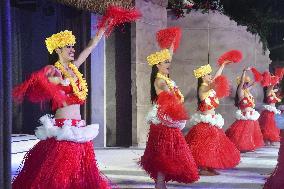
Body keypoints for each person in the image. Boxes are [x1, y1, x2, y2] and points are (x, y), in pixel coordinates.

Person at [12, 29, 113, 189]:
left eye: (73, 46)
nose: (73, 49)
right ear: (58, 49)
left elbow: (90, 47)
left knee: (78, 176)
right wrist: (57, 81)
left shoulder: (73, 69)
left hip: (78, 129)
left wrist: (102, 30)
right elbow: (42, 78)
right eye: (68, 46)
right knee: (60, 177)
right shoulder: (53, 69)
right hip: (63, 130)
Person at [139, 48, 199, 189]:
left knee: (167, 151)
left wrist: (171, 45)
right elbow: (169, 96)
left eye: (168, 61)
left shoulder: (166, 79)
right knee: (163, 152)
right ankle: (160, 184)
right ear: (157, 65)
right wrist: (171, 92)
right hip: (163, 120)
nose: (168, 63)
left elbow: (174, 97)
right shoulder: (160, 81)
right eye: (165, 62)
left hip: (168, 120)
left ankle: (160, 183)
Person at [185, 63, 240, 176]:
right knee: (205, 145)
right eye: (208, 74)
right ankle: (203, 168)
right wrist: (221, 81)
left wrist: (223, 65)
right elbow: (215, 82)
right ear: (202, 76)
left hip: (212, 120)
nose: (210, 76)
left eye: (210, 74)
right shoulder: (203, 88)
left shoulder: (208, 88)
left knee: (213, 144)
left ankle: (208, 167)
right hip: (205, 123)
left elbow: (215, 79)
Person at [226, 67, 264, 152]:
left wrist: (257, 77)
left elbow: (253, 84)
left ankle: (249, 146)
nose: (246, 84)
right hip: (245, 115)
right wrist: (244, 71)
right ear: (241, 83)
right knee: (242, 134)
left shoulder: (247, 91)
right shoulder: (241, 91)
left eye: (247, 83)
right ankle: (240, 146)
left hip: (251, 115)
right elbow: (242, 81)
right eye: (245, 83)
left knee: (250, 133)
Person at [259, 75, 282, 146]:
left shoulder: (273, 93)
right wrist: (274, 80)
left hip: (273, 111)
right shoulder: (268, 92)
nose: (274, 87)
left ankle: (271, 140)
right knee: (267, 127)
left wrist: (278, 80)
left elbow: (277, 89)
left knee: (273, 127)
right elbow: (271, 86)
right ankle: (266, 141)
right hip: (268, 112)